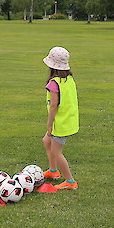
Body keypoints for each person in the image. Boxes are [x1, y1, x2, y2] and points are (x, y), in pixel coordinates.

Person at [41, 47, 79, 190]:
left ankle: (70, 181)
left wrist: (49, 125)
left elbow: (54, 106)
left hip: (60, 123)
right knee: (46, 141)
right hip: (68, 120)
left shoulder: (54, 83)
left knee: (57, 152)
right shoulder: (68, 79)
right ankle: (53, 171)